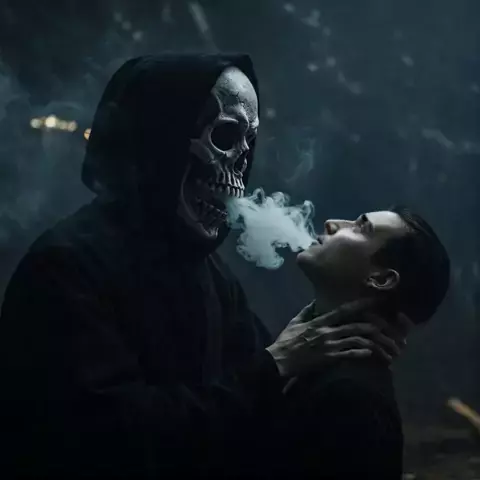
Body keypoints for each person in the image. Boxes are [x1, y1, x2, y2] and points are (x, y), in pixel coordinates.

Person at [0, 54, 405, 477]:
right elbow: (110, 437)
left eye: (249, 144)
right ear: (158, 142)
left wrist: (336, 349)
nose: (239, 167)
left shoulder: (207, 272)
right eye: (224, 137)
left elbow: (262, 398)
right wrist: (276, 364)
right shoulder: (65, 268)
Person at [266, 207, 450, 479]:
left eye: (360, 228)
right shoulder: (310, 366)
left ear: (381, 279)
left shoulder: (354, 399)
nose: (331, 223)